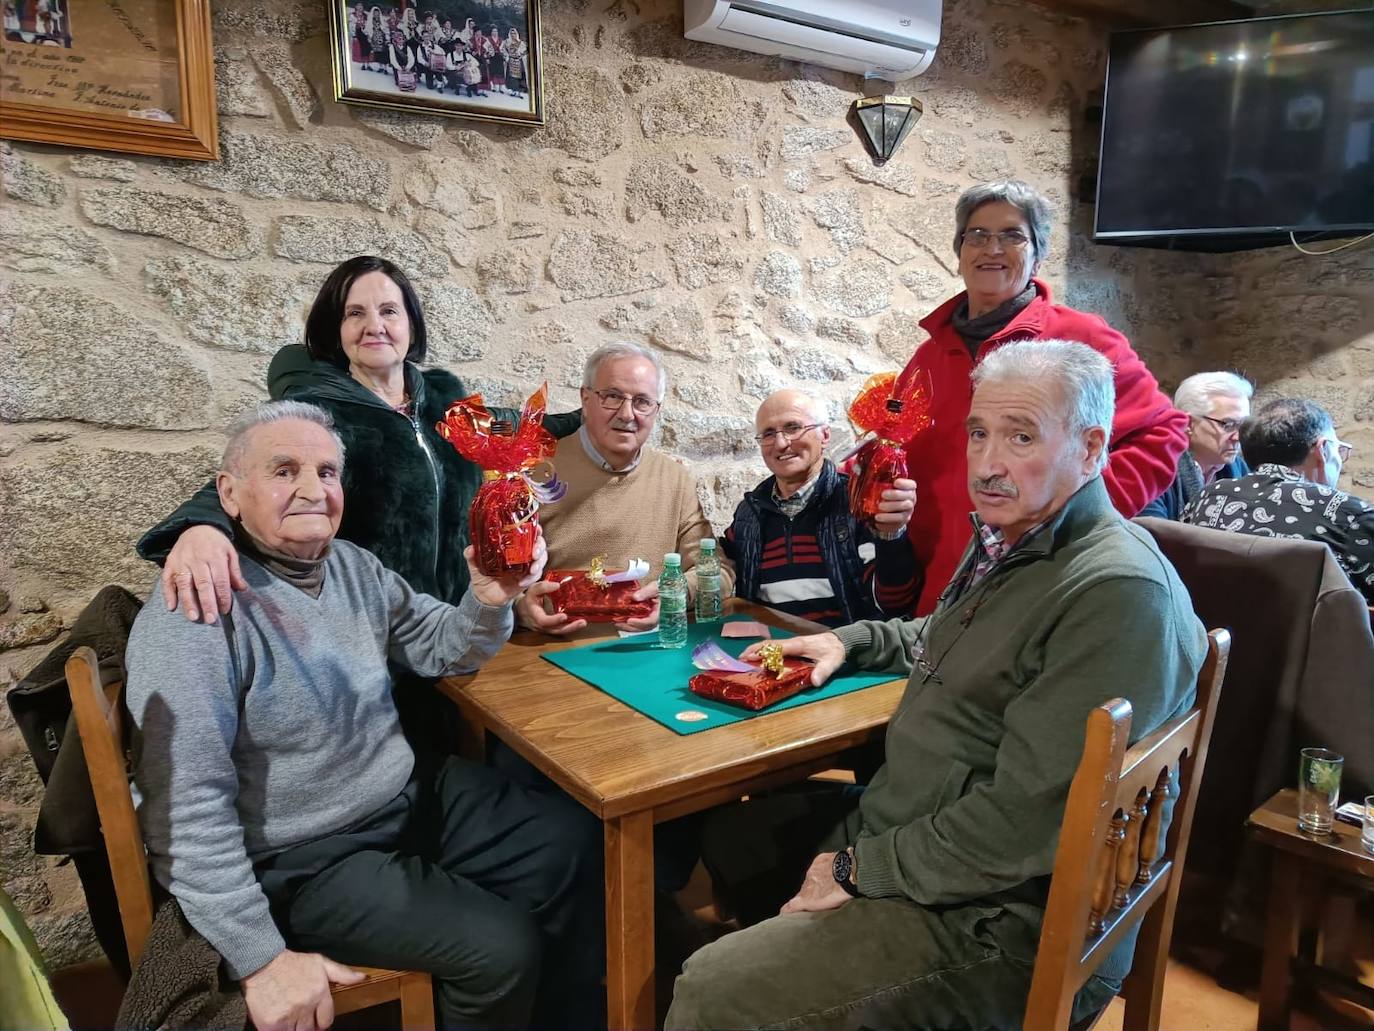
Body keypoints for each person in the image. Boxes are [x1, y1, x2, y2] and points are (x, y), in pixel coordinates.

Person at [666, 340, 1206, 1031]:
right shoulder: (1014, 540)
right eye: (979, 434)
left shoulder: (1115, 590)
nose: (988, 462)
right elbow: (940, 633)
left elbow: (1026, 822)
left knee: (713, 990)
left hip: (1009, 922)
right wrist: (847, 639)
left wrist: (862, 869)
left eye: (1021, 436)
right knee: (739, 836)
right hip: (927, 822)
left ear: (1092, 446)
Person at [125, 401, 604, 1031]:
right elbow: (180, 809)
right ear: (228, 495)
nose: (311, 489)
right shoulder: (196, 609)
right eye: (284, 470)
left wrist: (489, 599)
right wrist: (260, 959)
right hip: (305, 856)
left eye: (326, 473)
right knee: (499, 949)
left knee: (572, 840)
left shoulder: (352, 566)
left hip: (401, 796)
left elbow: (441, 648)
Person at [137, 254, 579, 623]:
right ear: (337, 330)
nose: (375, 326)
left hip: (462, 625)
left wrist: (589, 415)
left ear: (411, 324)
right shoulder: (316, 412)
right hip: (371, 639)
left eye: (389, 311)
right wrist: (201, 529)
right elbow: (250, 479)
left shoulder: (445, 397)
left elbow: (508, 423)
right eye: (355, 313)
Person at [898, 180, 1187, 614]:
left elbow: (1164, 431)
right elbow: (902, 448)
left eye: (1012, 235)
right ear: (959, 252)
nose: (991, 248)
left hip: (1041, 579)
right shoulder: (929, 355)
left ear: (1038, 253)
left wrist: (1067, 519)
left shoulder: (1083, 338)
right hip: (942, 584)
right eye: (977, 235)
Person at [515, 343, 736, 636]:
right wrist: (520, 608)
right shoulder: (532, 473)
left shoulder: (674, 479)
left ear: (656, 411)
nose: (627, 413)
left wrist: (676, 596)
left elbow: (718, 573)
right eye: (612, 396)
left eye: (643, 401)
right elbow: (490, 584)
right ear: (585, 398)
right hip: (551, 650)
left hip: (646, 649)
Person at [724, 388, 919, 627]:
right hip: (768, 655)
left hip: (842, 655)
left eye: (793, 428)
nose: (781, 443)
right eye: (768, 433)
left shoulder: (856, 501)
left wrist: (892, 536)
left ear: (825, 435)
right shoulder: (749, 513)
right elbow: (720, 563)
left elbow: (893, 603)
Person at [1185, 397, 1374, 602]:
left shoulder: (1205, 498)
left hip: (1211, 632)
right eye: (1339, 449)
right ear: (1322, 449)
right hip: (1313, 634)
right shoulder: (1350, 515)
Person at [1140, 371, 1253, 519]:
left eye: (1243, 425)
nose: (1238, 437)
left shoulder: (1239, 468)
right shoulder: (1153, 466)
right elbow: (1150, 532)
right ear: (1188, 423)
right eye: (1228, 424)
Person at [502, 28, 528, 99]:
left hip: (518, 62)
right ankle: (513, 91)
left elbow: (526, 50)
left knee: (519, 77)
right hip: (511, 61)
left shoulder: (520, 43)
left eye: (514, 33)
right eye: (511, 34)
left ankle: (519, 91)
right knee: (512, 77)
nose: (513, 35)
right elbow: (503, 50)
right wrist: (506, 56)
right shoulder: (507, 42)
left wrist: (521, 55)